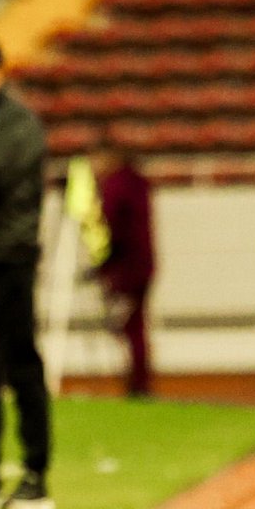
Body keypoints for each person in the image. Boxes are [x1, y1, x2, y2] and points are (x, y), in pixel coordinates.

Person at [0, 36, 54, 509]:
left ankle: (36, 472)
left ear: (0, 71)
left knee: (21, 364)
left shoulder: (19, 122)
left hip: (11, 260)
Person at [92, 145, 156, 396]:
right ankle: (139, 381)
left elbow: (115, 230)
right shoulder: (138, 182)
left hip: (128, 268)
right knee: (136, 326)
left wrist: (105, 264)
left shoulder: (117, 185)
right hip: (143, 264)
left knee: (131, 328)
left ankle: (138, 383)